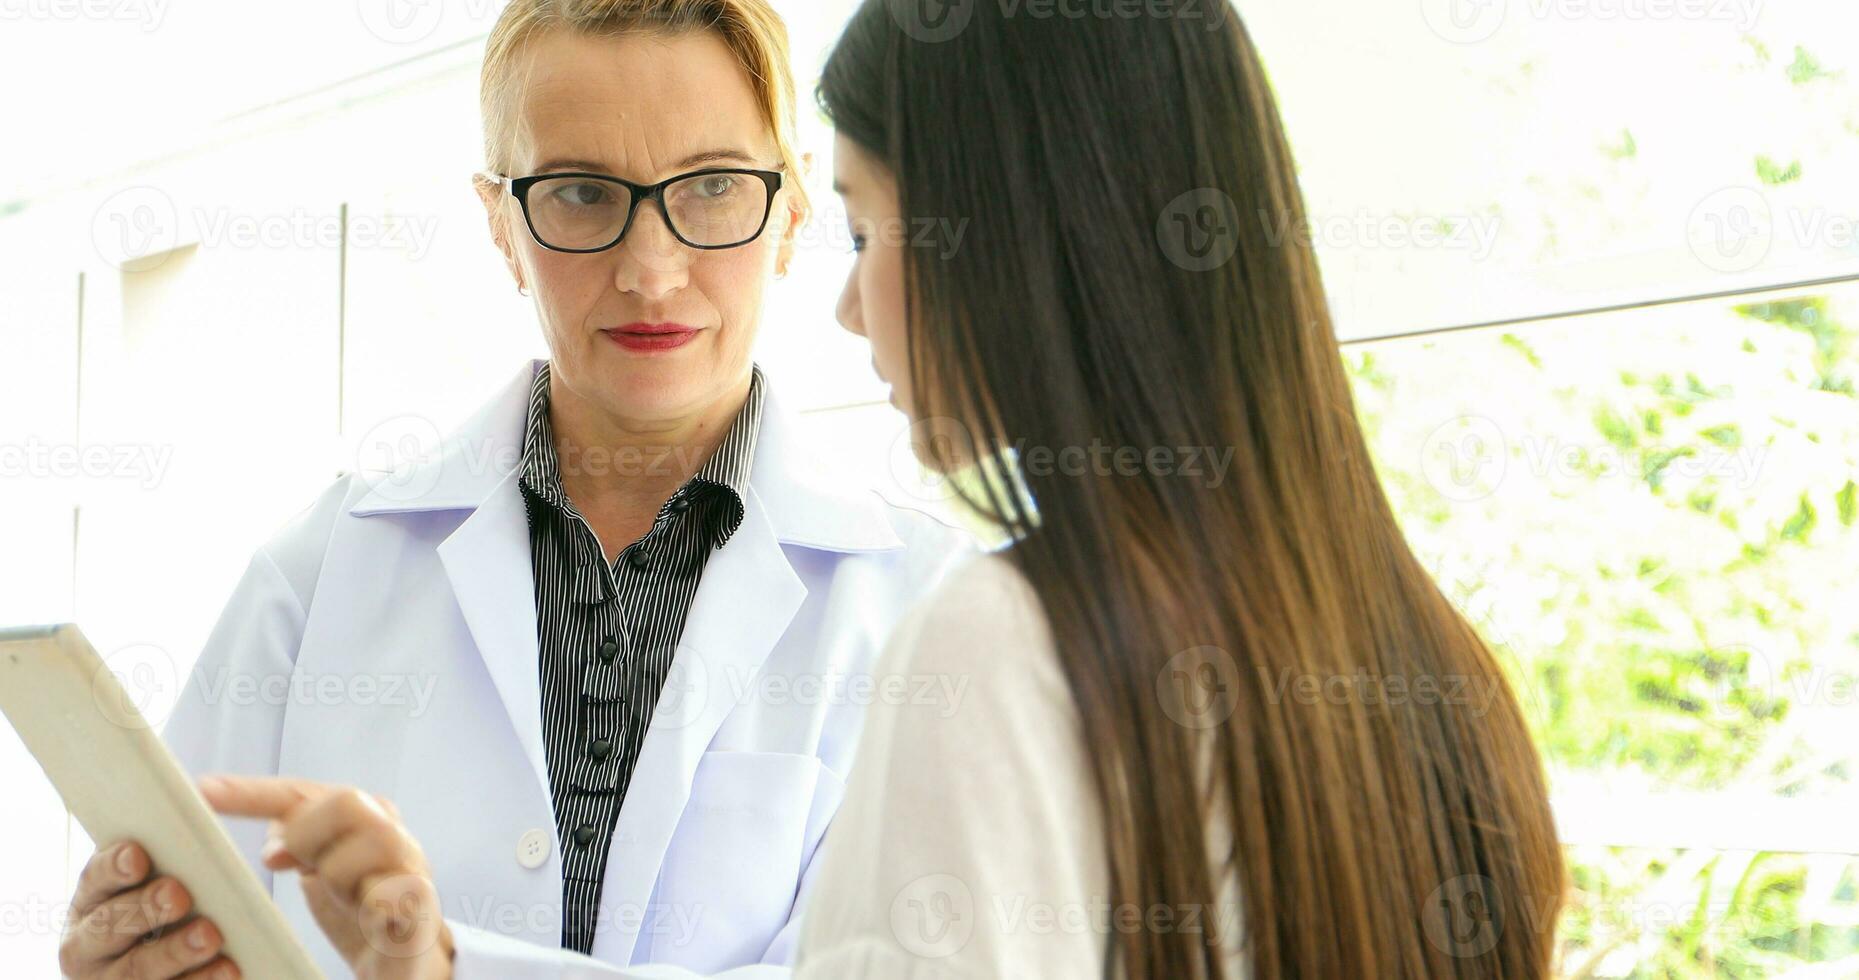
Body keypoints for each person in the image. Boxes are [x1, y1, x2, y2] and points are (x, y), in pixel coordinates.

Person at [54, 2, 971, 979]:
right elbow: (206, 923)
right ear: (500, 225)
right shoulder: (316, 573)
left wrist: (442, 965)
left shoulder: (929, 603)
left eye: (708, 187)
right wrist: (141, 949)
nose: (649, 272)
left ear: (788, 214)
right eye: (581, 193)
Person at [790, 1, 1569, 976]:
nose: (849, 310)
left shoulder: (1002, 647)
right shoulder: (1440, 671)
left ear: (1004, 226)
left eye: (865, 230)